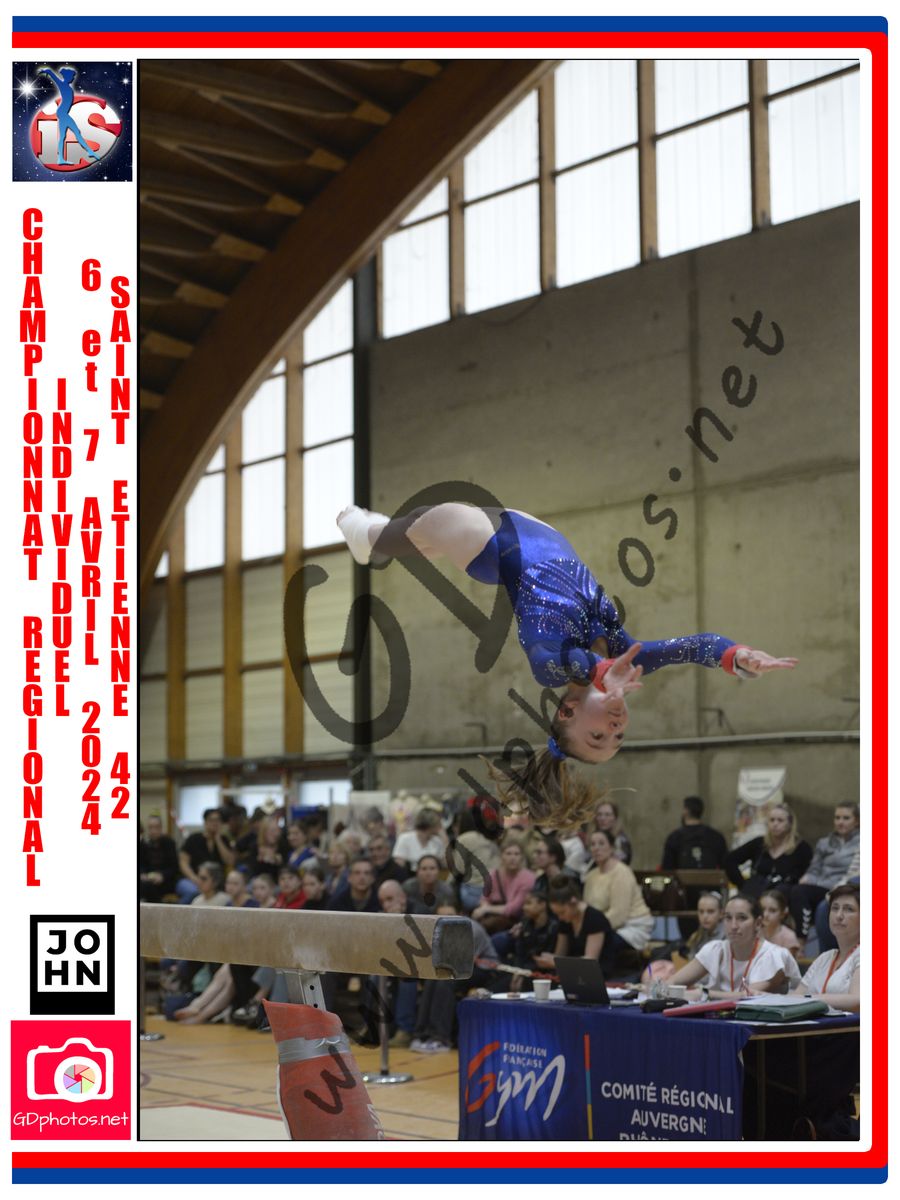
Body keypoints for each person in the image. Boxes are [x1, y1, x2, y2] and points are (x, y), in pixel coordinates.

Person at [337, 501, 796, 832]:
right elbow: (692, 648)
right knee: (422, 536)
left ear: (566, 712)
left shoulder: (554, 667)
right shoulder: (624, 656)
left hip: (489, 545)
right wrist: (738, 656)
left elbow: (556, 659)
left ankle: (366, 535)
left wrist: (597, 671)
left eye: (597, 737)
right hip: (531, 530)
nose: (614, 729)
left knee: (406, 531)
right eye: (618, 738)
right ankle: (379, 536)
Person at [663, 894, 801, 999]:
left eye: (742, 918)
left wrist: (703, 994)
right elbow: (673, 981)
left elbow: (746, 996)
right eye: (728, 918)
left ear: (758, 923)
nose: (733, 926)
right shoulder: (715, 949)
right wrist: (659, 988)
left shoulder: (775, 956)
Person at [411, 903, 499, 1054]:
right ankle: (421, 1035)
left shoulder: (471, 929)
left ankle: (441, 1038)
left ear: (460, 915)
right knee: (431, 979)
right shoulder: (436, 931)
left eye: (451, 915)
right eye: (442, 917)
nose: (447, 919)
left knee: (445, 981)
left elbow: (463, 961)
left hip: (483, 969)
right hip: (452, 967)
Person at [790, 803, 861, 940]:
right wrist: (808, 878)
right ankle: (801, 937)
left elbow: (854, 873)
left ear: (857, 821)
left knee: (821, 904)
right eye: (837, 818)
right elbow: (814, 869)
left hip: (842, 887)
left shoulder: (863, 842)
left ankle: (802, 940)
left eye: (846, 818)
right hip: (821, 884)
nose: (840, 822)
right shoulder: (824, 842)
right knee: (795, 890)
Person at [582, 829, 654, 961]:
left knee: (604, 943)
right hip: (602, 926)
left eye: (601, 843)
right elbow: (588, 908)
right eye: (592, 844)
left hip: (631, 926)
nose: (596, 848)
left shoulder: (622, 872)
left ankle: (602, 974)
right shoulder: (591, 875)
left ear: (611, 847)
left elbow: (619, 915)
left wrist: (594, 929)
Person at [792, 885, 859, 1013]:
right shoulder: (824, 957)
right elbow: (796, 996)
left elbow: (857, 1000)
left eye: (849, 909)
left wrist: (808, 999)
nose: (839, 915)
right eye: (835, 908)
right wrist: (763, 996)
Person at [724, 803, 812, 901]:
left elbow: (809, 873)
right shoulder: (759, 843)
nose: (775, 824)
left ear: (790, 824)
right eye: (772, 820)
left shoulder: (801, 848)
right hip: (755, 892)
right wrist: (742, 883)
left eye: (780, 820)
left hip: (784, 896)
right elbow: (730, 860)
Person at [534, 876, 613, 972]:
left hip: (599, 974)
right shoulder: (565, 920)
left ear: (573, 902)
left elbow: (590, 961)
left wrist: (556, 962)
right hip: (573, 973)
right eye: (557, 914)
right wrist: (549, 958)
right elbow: (560, 954)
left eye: (562, 912)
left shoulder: (595, 918)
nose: (560, 917)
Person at [471, 838, 536, 934]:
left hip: (515, 921)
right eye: (508, 854)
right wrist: (484, 908)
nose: (512, 858)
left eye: (516, 854)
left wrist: (487, 909)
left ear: (522, 857)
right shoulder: (493, 874)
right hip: (493, 916)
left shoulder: (528, 877)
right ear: (501, 856)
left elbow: (514, 909)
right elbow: (484, 899)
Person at [177, 808, 234, 903]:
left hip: (215, 883)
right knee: (193, 892)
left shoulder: (224, 840)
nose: (215, 823)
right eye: (212, 820)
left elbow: (229, 861)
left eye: (218, 820)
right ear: (205, 822)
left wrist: (218, 839)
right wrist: (194, 878)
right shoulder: (193, 839)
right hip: (191, 880)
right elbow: (183, 862)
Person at [661, 795, 728, 872]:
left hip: (682, 880)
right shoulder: (716, 837)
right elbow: (725, 867)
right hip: (710, 880)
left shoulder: (674, 838)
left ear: (686, 811)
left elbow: (667, 869)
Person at [139, 814, 179, 902]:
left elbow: (174, 867)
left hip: (166, 880)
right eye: (150, 827)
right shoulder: (143, 845)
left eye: (156, 827)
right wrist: (142, 874)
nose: (153, 831)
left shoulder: (169, 843)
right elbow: (141, 864)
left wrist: (162, 875)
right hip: (148, 879)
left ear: (161, 828)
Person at [759, 888, 801, 958]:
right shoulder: (755, 933)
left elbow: (787, 964)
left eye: (772, 910)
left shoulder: (789, 937)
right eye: (762, 909)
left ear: (782, 914)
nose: (765, 914)